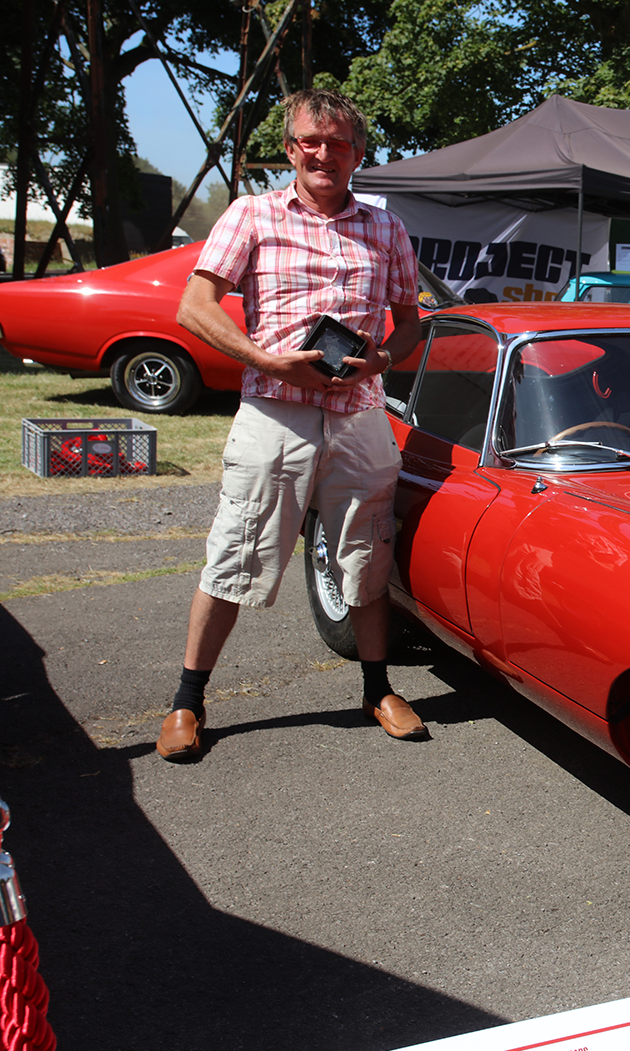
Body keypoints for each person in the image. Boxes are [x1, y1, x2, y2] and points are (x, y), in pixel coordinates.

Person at [156, 89, 424, 761]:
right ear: (290, 147)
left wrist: (380, 361)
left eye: (339, 143)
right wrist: (271, 361)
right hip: (275, 414)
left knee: (366, 554)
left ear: (358, 153)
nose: (324, 153)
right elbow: (196, 307)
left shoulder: (385, 227)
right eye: (312, 140)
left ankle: (376, 688)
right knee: (236, 552)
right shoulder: (251, 214)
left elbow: (414, 321)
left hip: (361, 418)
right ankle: (188, 701)